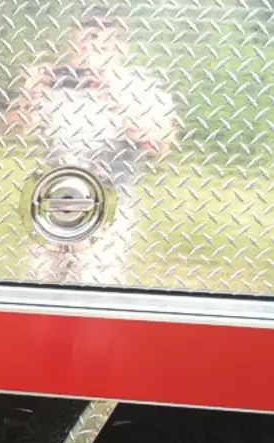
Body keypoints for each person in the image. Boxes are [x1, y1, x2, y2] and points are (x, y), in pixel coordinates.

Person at [14, 7, 179, 286]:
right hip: (53, 202)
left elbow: (160, 145)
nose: (88, 47)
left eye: (99, 39)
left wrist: (114, 96)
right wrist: (29, 95)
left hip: (107, 209)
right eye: (82, 39)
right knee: (37, 285)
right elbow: (16, 132)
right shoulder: (60, 85)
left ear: (120, 46)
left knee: (94, 287)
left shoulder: (139, 87)